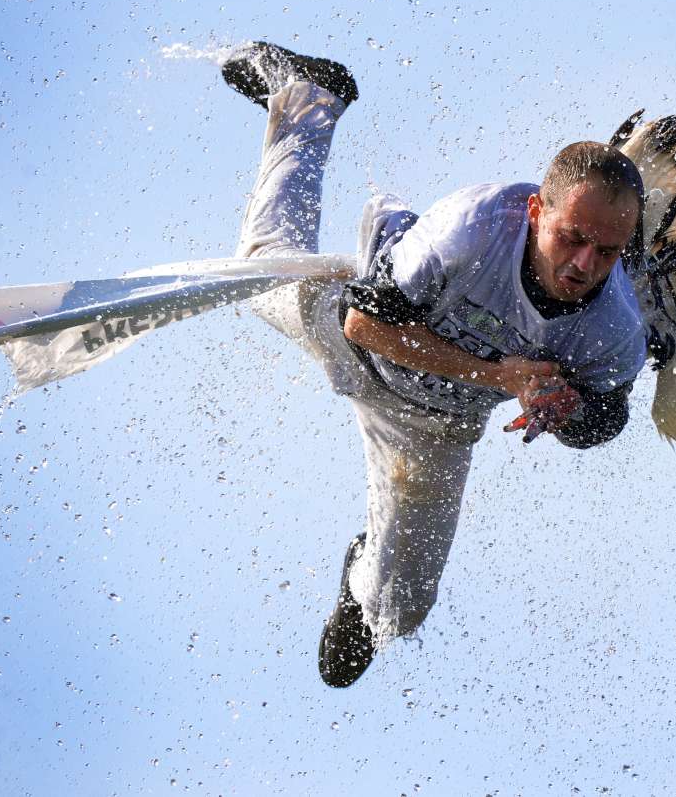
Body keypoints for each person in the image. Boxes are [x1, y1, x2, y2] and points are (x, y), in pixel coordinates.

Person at [222, 42, 647, 688]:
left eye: (607, 251)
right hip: (362, 327)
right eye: (572, 238)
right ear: (537, 210)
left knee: (400, 613)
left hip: (436, 424)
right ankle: (308, 98)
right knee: (258, 275)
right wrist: (503, 376)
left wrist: (571, 414)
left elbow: (607, 419)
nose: (584, 265)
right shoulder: (472, 227)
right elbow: (363, 324)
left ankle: (360, 578)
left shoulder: (615, 330)